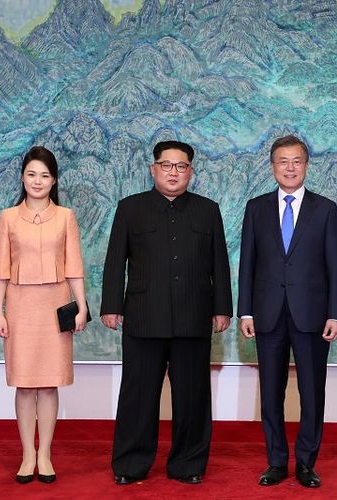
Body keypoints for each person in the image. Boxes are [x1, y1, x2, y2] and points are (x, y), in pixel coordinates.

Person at [101, 140, 233, 486]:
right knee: (138, 394)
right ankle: (131, 464)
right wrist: (111, 305)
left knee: (192, 396)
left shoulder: (208, 210)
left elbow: (220, 262)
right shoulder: (130, 208)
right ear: (153, 169)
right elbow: (116, 260)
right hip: (143, 317)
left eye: (181, 166)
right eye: (166, 165)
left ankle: (188, 464)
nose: (173, 172)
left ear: (191, 171)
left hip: (194, 317)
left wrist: (222, 308)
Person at [238, 134, 337, 488]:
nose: (290, 167)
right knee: (271, 392)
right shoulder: (255, 208)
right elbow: (247, 264)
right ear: (272, 166)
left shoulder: (325, 209)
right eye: (283, 161)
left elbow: (335, 265)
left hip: (313, 315)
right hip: (267, 314)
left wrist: (335, 313)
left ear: (306, 165)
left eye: (296, 161)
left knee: (312, 392)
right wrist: (245, 311)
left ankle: (305, 463)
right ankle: (276, 461)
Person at [0, 146, 88, 484]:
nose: (38, 181)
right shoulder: (7, 217)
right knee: (24, 383)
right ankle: (26, 454)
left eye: (45, 175)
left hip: (55, 305)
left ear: (54, 180)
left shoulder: (66, 216)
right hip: (19, 306)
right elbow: (0, 269)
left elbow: (74, 266)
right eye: (32, 174)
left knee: (48, 384)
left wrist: (82, 306)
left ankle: (45, 453)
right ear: (22, 177)